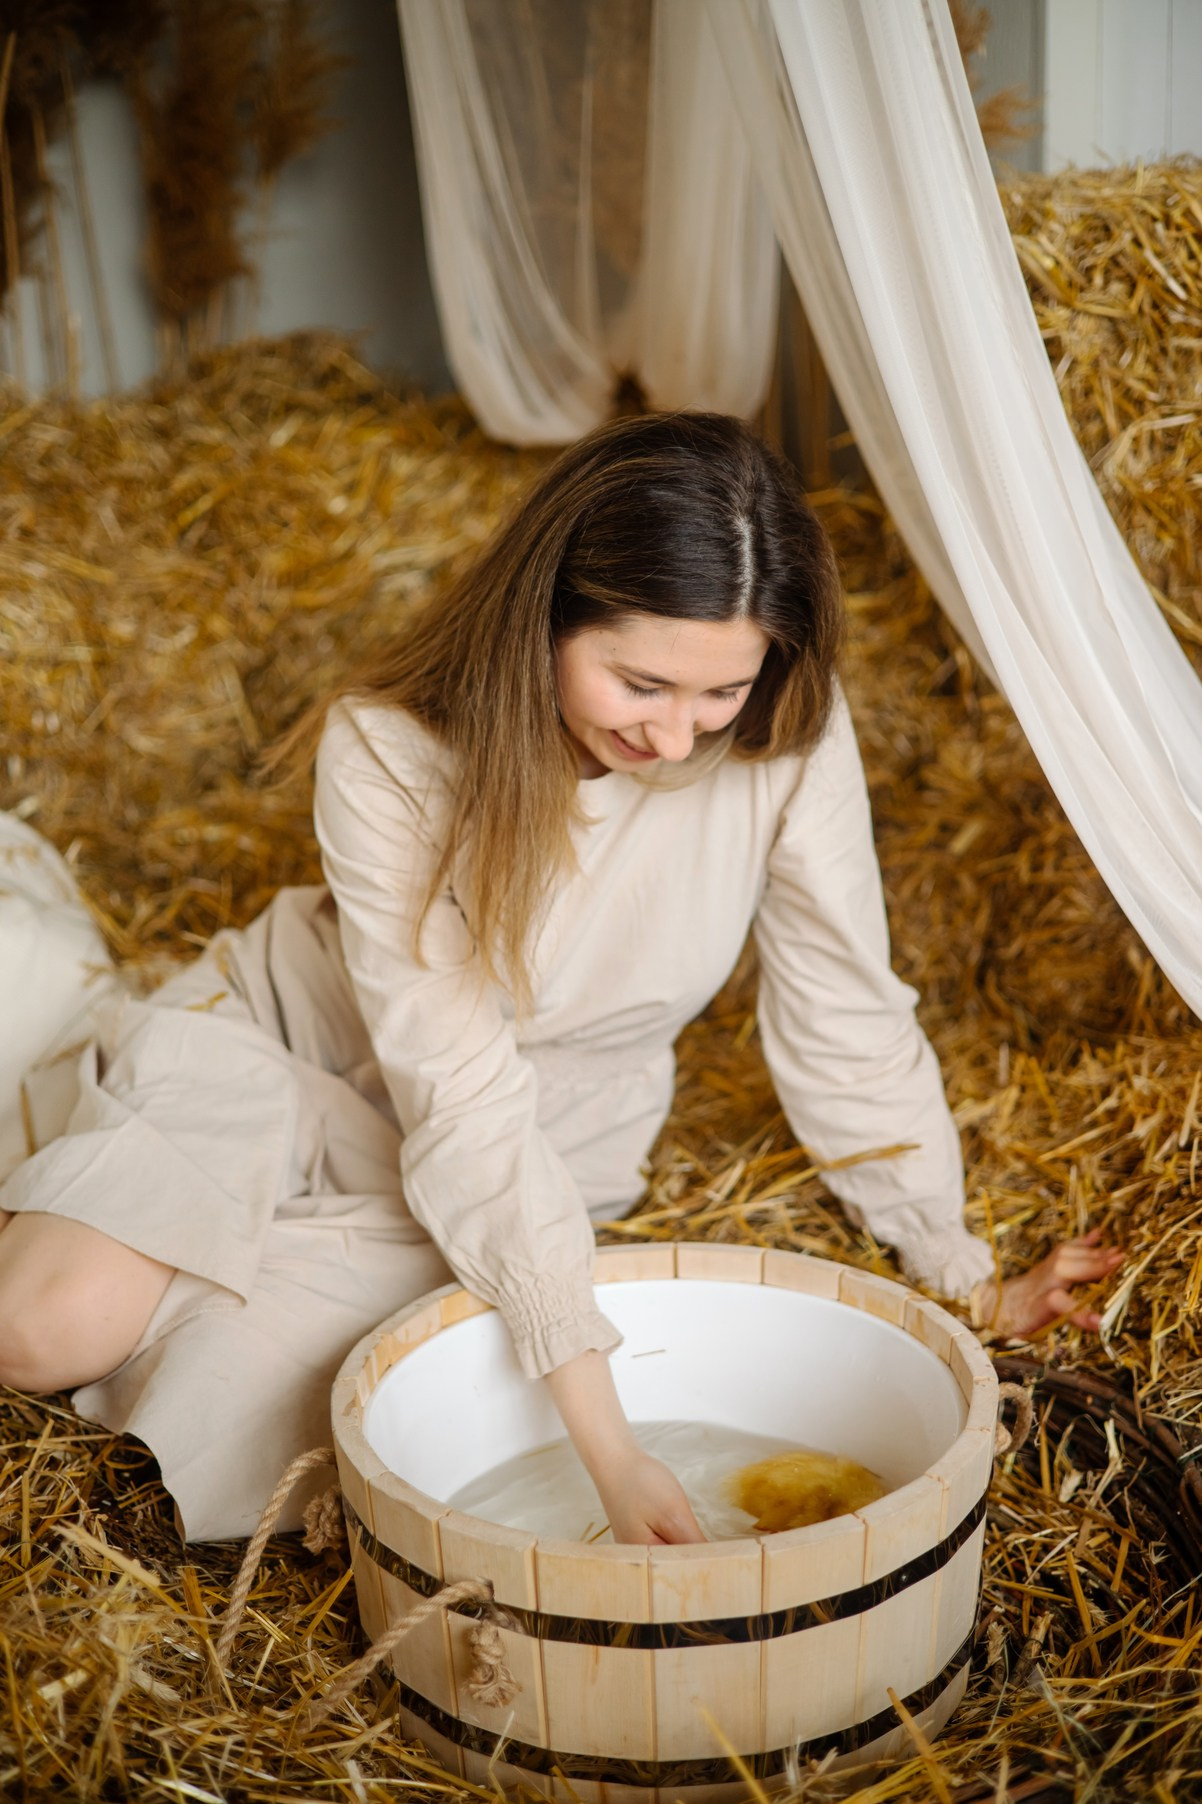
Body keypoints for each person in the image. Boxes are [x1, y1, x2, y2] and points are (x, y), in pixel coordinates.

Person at [0, 413, 1121, 1544]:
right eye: (640, 683)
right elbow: (458, 1089)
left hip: (544, 1144)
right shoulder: (389, 750)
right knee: (37, 1329)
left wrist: (950, 1261)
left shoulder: (788, 739)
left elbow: (844, 1004)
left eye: (720, 694)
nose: (677, 739)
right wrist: (611, 1452)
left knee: (294, 1402)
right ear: (544, 616)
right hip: (298, 1044)